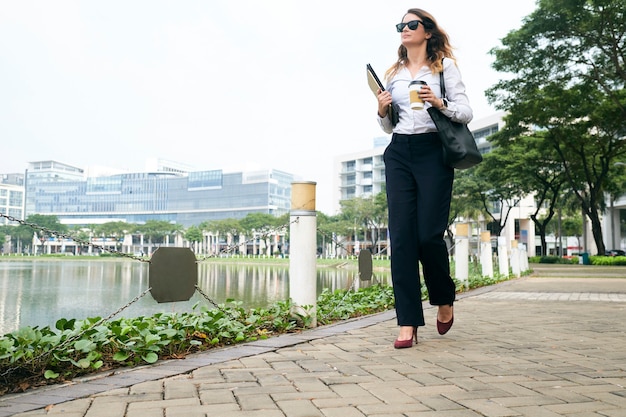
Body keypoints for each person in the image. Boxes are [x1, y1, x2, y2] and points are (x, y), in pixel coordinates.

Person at [375, 8, 473, 348]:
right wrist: (382, 109)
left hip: (434, 151)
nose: (404, 29)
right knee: (402, 239)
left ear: (427, 31)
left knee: (429, 235)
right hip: (399, 151)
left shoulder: (444, 67)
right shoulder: (394, 73)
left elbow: (465, 111)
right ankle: (407, 323)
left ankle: (443, 299)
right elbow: (389, 125)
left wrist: (439, 101)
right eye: (401, 25)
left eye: (411, 24)